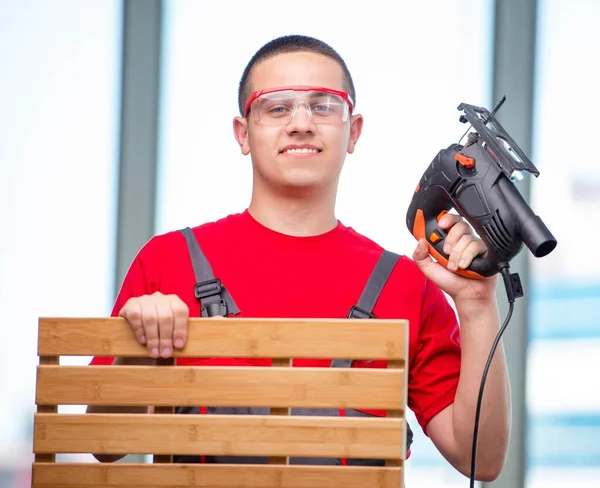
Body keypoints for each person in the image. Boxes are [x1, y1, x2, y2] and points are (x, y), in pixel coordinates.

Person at [87, 34, 510, 480]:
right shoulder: (169, 261)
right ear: (242, 133)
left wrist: (477, 306)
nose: (301, 123)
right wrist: (136, 346)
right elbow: (103, 445)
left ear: (354, 131)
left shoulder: (405, 283)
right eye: (276, 107)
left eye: (324, 105)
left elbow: (479, 459)